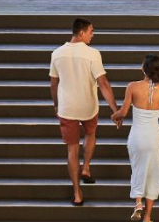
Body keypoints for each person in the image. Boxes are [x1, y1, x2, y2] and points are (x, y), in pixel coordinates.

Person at [49, 18, 118, 206]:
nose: (92, 35)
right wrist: (115, 110)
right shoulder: (93, 54)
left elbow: (54, 83)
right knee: (90, 133)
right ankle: (86, 166)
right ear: (81, 33)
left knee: (72, 150)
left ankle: (77, 193)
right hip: (88, 106)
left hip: (67, 108)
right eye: (91, 31)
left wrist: (56, 104)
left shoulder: (57, 54)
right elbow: (103, 83)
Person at [112, 54, 159, 222]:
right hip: (154, 138)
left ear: (144, 69)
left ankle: (138, 201)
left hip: (137, 136)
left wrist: (114, 116)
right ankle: (147, 218)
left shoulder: (133, 87)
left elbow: (122, 113)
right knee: (153, 174)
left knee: (137, 167)